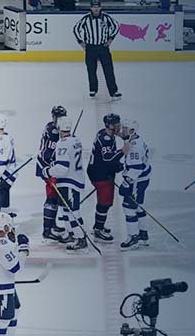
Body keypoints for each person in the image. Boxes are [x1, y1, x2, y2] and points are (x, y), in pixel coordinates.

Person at [44, 116, 87, 252]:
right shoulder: (76, 140)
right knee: (66, 209)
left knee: (73, 211)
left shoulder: (62, 143)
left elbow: (62, 169)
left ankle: (81, 239)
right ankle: (71, 233)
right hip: (75, 179)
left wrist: (48, 171)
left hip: (69, 182)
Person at [87, 113, 128, 243]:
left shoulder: (106, 134)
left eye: (118, 123)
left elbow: (106, 158)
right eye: (115, 124)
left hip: (101, 172)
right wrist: (122, 151)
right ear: (108, 125)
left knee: (105, 202)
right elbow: (107, 157)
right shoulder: (106, 139)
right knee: (105, 202)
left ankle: (98, 226)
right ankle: (98, 230)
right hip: (100, 175)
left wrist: (115, 166)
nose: (118, 126)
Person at [73, 0, 122, 100]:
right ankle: (93, 89)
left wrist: (111, 39)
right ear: (91, 8)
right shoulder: (86, 18)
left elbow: (116, 26)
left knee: (108, 70)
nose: (96, 9)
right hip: (90, 48)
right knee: (91, 70)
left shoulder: (106, 17)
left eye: (97, 7)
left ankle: (113, 91)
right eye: (94, 7)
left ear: (100, 7)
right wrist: (81, 42)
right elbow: (75, 29)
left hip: (103, 47)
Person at [118, 118, 151, 250]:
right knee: (138, 207)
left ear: (132, 131)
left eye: (125, 128)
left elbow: (136, 168)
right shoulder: (135, 140)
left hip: (136, 181)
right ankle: (143, 235)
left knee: (129, 208)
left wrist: (126, 183)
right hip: (142, 180)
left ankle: (133, 237)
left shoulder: (134, 147)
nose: (122, 130)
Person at [37, 106, 68, 243]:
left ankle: (52, 224)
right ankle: (47, 230)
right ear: (53, 117)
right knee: (51, 197)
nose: (60, 119)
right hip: (47, 167)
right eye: (58, 117)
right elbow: (46, 154)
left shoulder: (55, 128)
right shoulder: (53, 131)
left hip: (51, 168)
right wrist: (50, 169)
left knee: (54, 198)